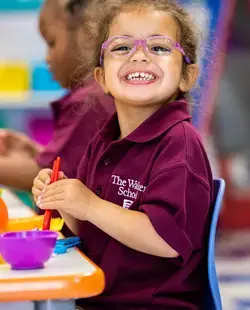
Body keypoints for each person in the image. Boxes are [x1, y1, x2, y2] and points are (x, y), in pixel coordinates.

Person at [32, 0, 213, 308]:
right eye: (121, 47)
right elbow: (96, 229)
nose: (139, 55)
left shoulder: (178, 144)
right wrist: (65, 201)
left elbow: (166, 238)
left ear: (187, 76)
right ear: (101, 78)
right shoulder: (104, 141)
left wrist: (89, 205)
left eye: (158, 48)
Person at [0, 0, 114, 191]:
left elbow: (49, 176)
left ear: (86, 34)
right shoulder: (98, 93)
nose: (47, 57)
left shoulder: (89, 100)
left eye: (52, 43)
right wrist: (36, 151)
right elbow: (76, 167)